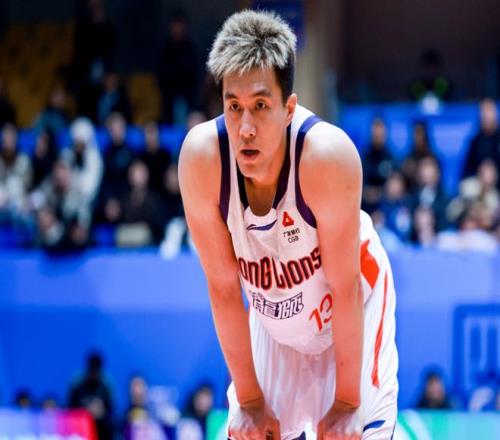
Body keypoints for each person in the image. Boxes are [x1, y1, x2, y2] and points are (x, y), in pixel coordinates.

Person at [179, 10, 398, 440]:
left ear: (288, 108)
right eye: (233, 107)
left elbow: (345, 287)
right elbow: (224, 289)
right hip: (276, 321)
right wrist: (250, 400)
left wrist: (347, 402)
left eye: (260, 106)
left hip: (351, 304)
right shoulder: (203, 160)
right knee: (248, 428)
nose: (245, 127)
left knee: (352, 432)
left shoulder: (326, 157)